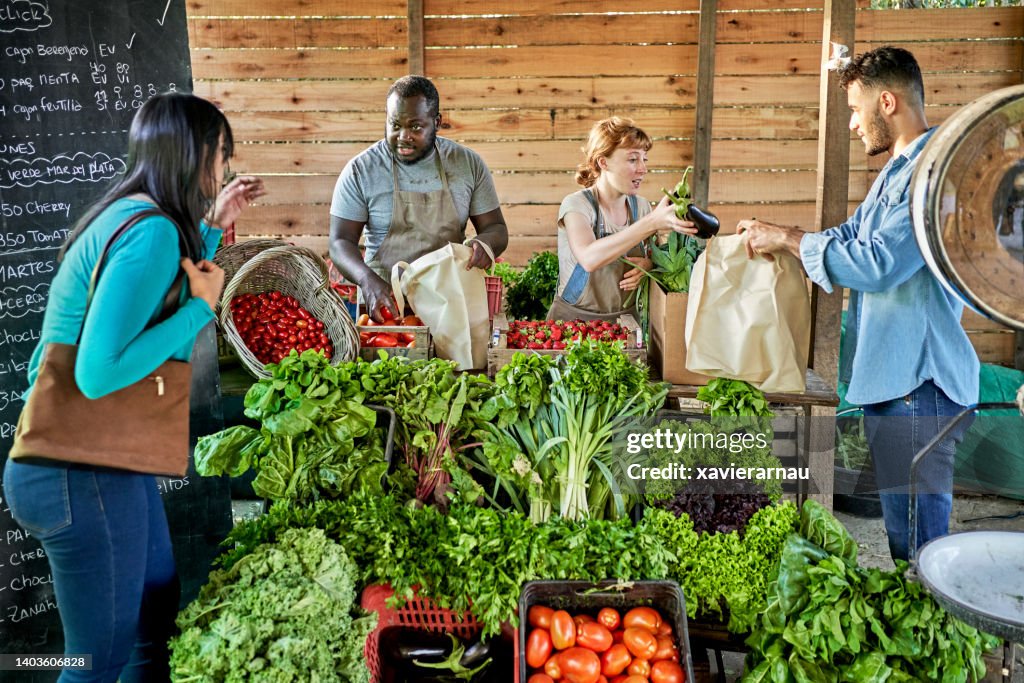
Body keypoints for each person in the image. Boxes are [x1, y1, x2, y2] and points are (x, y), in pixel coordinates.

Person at [3, 92, 265, 682]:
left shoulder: (133, 215)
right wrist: (202, 310)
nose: (224, 167)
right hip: (78, 470)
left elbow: (150, 296)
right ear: (197, 154)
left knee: (154, 614)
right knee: (93, 662)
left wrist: (213, 231)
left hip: (97, 461)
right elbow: (98, 373)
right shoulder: (149, 233)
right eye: (221, 154)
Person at [738, 46, 978, 562]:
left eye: (855, 108)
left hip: (920, 383)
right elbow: (851, 236)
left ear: (887, 102)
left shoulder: (930, 176)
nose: (852, 124)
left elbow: (879, 263)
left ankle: (936, 639)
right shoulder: (897, 171)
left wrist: (787, 238)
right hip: (897, 382)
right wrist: (786, 240)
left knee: (920, 553)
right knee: (903, 544)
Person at [329, 75, 509, 321]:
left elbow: (495, 227)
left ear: (436, 122)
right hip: (385, 307)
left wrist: (486, 244)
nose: (403, 136)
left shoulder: (467, 164)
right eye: (394, 125)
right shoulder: (361, 170)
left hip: (450, 304)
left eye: (415, 126)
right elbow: (340, 241)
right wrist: (366, 279)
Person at [548, 117, 696, 321]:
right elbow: (589, 258)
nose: (643, 168)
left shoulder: (641, 208)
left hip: (627, 325)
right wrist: (652, 222)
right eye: (633, 159)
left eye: (645, 159)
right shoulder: (577, 205)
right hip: (572, 324)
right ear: (603, 162)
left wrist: (648, 266)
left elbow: (656, 257)